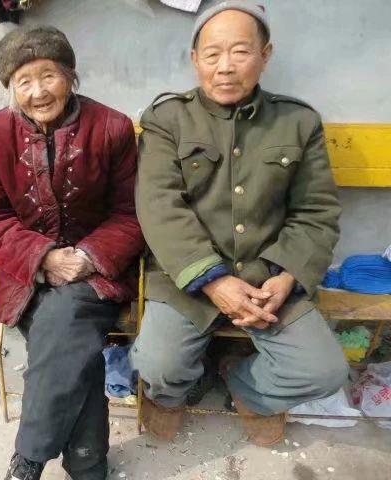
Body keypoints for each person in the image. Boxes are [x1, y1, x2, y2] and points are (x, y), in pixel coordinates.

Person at [132, 1, 349, 447]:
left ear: (265, 55)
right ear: (195, 59)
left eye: (240, 52)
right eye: (212, 54)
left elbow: (316, 210)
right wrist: (212, 281)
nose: (225, 67)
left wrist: (288, 276)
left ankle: (244, 385)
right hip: (185, 277)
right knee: (158, 366)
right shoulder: (167, 120)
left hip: (266, 279)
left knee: (325, 373)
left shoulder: (297, 122)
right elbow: (159, 208)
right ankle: (174, 394)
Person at [0, 26, 144, 480]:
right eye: (23, 81)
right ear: (11, 87)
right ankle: (87, 462)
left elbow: (131, 214)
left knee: (64, 321)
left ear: (70, 75)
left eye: (48, 75)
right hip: (23, 272)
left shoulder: (112, 127)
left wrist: (86, 257)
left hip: (96, 270)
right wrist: (43, 257)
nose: (38, 91)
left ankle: (28, 460)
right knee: (68, 336)